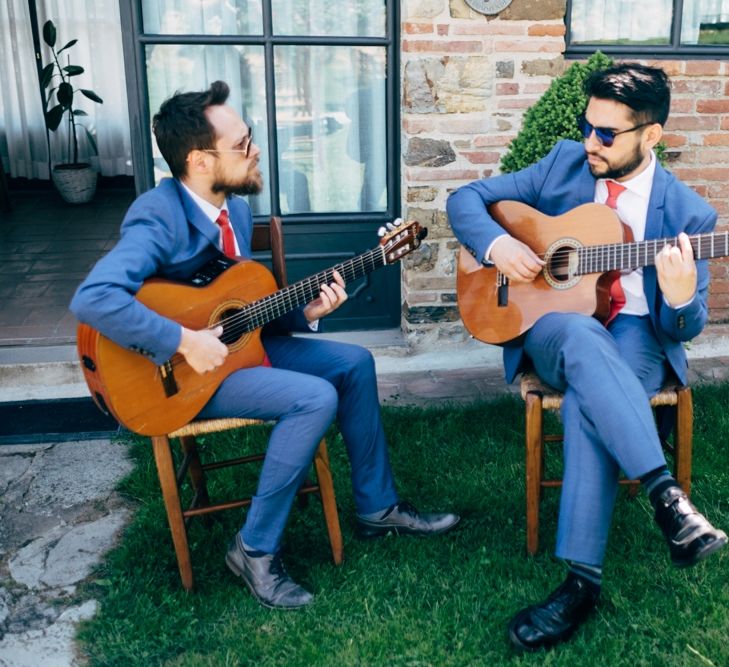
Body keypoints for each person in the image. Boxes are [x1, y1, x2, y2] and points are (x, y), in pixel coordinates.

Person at [70, 80, 459, 610]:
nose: (256, 151)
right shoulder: (157, 216)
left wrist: (308, 312)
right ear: (201, 162)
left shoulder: (238, 210)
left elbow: (243, 310)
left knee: (353, 363)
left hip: (236, 355)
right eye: (243, 144)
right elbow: (94, 298)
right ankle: (253, 549)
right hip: (173, 378)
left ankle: (377, 507)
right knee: (313, 398)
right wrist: (183, 340)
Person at [447, 63, 726, 651]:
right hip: (551, 327)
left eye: (606, 134)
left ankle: (580, 584)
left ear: (650, 135)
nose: (588, 142)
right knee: (577, 335)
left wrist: (676, 297)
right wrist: (498, 245)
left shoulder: (689, 217)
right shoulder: (563, 163)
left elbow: (686, 324)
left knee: (585, 405)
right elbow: (465, 197)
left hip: (636, 334)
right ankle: (668, 500)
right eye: (586, 125)